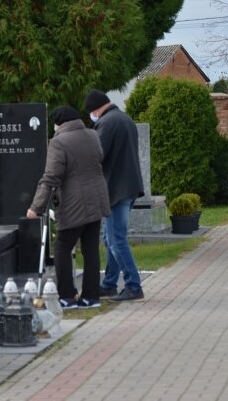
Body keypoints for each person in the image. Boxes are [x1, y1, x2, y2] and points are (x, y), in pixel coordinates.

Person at [27, 105, 110, 309]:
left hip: (74, 203)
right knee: (90, 249)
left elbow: (50, 178)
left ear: (58, 124)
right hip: (97, 199)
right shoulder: (92, 135)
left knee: (62, 247)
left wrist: (36, 207)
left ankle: (66, 296)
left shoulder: (59, 142)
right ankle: (91, 297)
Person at [84, 89, 145, 302]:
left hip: (116, 189)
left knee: (115, 239)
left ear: (95, 109)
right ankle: (109, 284)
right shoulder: (123, 118)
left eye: (91, 113)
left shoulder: (107, 123)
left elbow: (95, 155)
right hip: (128, 186)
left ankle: (133, 285)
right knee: (109, 237)